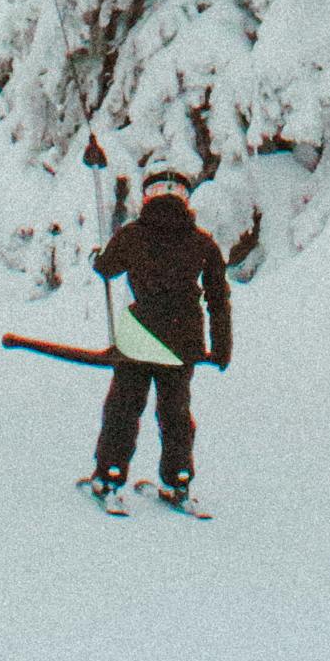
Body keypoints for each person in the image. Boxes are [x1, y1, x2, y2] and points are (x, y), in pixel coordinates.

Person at [83, 165, 231, 507]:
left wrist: (97, 256)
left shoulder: (133, 235)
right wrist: (222, 347)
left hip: (139, 337)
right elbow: (218, 299)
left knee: (124, 408)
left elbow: (107, 268)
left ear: (147, 197)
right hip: (183, 340)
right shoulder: (202, 243)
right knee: (175, 412)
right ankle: (178, 479)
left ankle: (110, 477)